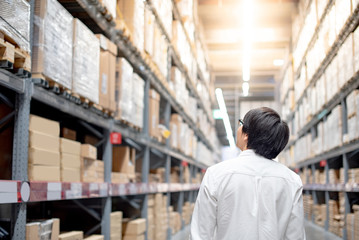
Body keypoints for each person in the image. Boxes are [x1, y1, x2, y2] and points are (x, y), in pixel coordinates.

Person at [190, 107, 305, 240]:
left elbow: (200, 234)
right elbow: (295, 235)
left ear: (246, 135)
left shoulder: (216, 175)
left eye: (241, 124)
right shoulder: (291, 180)